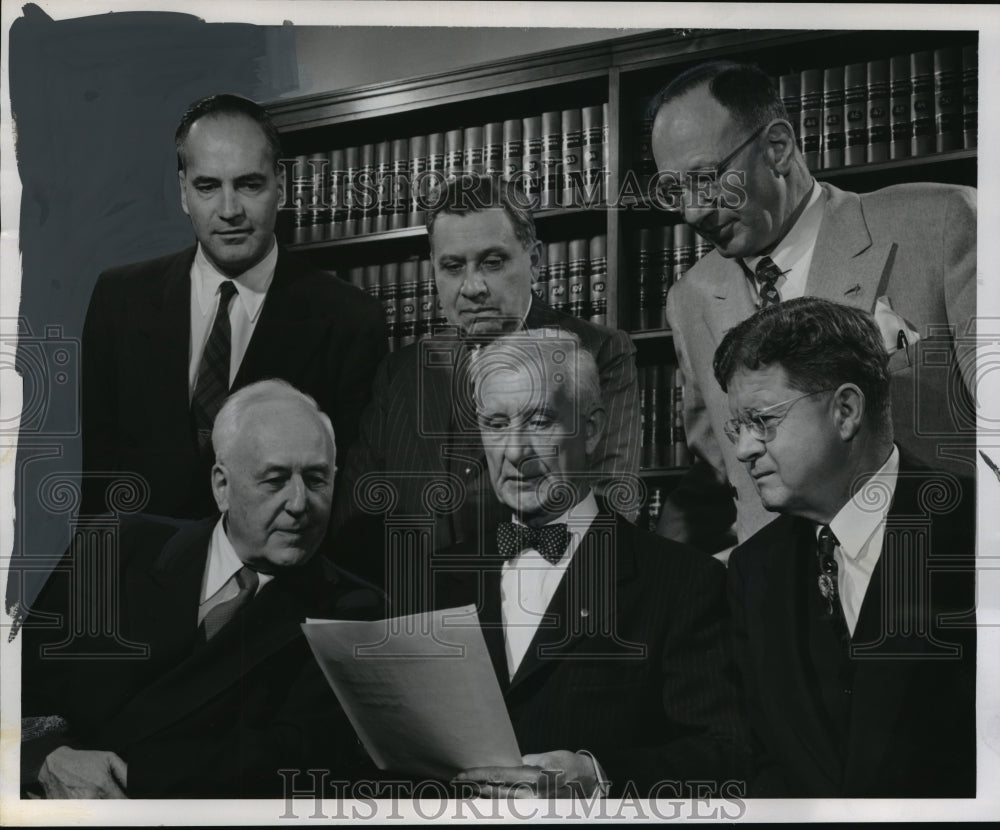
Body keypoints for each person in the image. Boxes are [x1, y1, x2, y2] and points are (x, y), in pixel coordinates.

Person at [649, 61, 976, 553]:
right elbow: (721, 474)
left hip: (931, 582)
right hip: (783, 612)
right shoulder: (689, 299)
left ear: (777, 147)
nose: (693, 211)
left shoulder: (942, 222)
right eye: (675, 191)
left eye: (707, 178)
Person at [418, 330, 745, 798]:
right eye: (495, 423)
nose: (514, 452)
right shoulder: (438, 576)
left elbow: (726, 753)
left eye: (540, 421)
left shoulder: (684, 582)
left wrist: (600, 776)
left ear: (591, 429)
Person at [21, 380, 384, 798]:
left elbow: (287, 760)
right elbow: (18, 683)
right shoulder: (113, 547)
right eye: (275, 479)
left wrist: (122, 777)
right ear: (221, 486)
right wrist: (49, 755)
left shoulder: (355, 612)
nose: (300, 503)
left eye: (317, 479)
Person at [81, 93, 386, 519]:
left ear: (280, 185)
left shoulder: (350, 319)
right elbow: (97, 483)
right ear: (183, 191)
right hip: (142, 576)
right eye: (208, 186)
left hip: (275, 580)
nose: (229, 210)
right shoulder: (119, 300)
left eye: (248, 184)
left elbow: (343, 501)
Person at [717, 298, 975, 797]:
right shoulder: (753, 570)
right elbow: (759, 757)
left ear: (846, 411)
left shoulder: (978, 533)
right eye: (737, 428)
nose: (744, 449)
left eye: (762, 421)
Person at [331, 174, 640, 586]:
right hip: (411, 618)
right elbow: (355, 522)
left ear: (535, 260)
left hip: (544, 609)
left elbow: (609, 508)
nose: (472, 287)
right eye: (453, 266)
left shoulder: (599, 352)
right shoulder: (402, 371)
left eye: (492, 263)